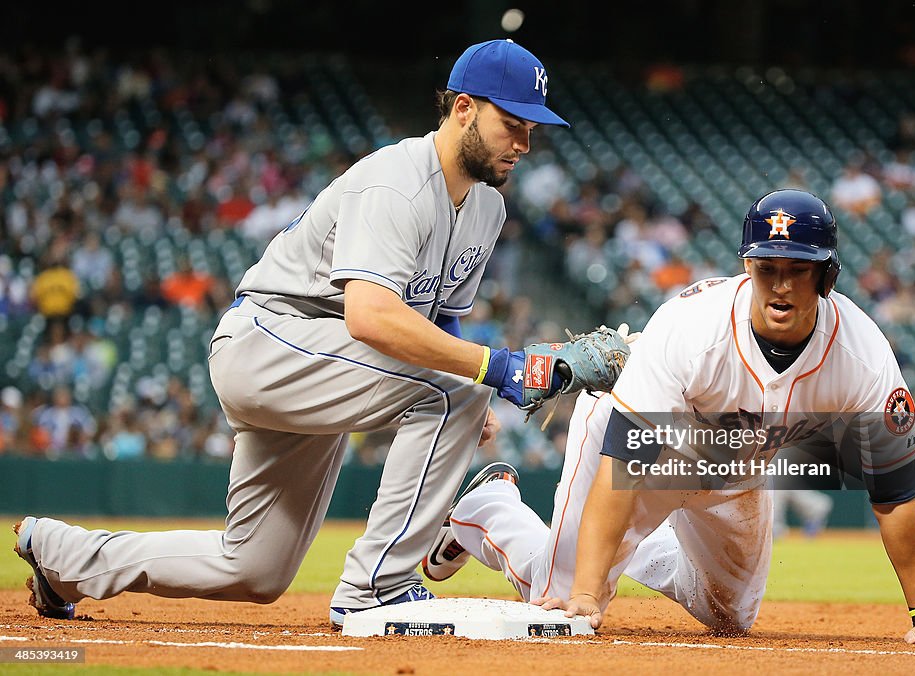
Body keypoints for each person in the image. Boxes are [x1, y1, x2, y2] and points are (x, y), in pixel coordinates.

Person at [13, 39, 575, 629]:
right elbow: (372, 316)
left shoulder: (488, 207)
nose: (525, 143)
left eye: (532, 128)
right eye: (512, 123)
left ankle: (63, 559)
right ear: (463, 108)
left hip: (328, 361)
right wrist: (488, 372)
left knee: (252, 570)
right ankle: (378, 586)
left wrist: (464, 370)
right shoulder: (396, 183)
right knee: (456, 389)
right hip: (274, 338)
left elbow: (439, 315)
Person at [425, 189, 915, 646]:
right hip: (639, 444)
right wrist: (589, 593)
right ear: (748, 266)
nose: (780, 283)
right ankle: (487, 511)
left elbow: (897, 496)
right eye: (767, 267)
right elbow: (623, 465)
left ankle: (637, 546)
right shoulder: (693, 328)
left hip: (735, 468)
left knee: (731, 619)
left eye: (798, 269)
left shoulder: (862, 355)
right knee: (562, 595)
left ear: (826, 276)